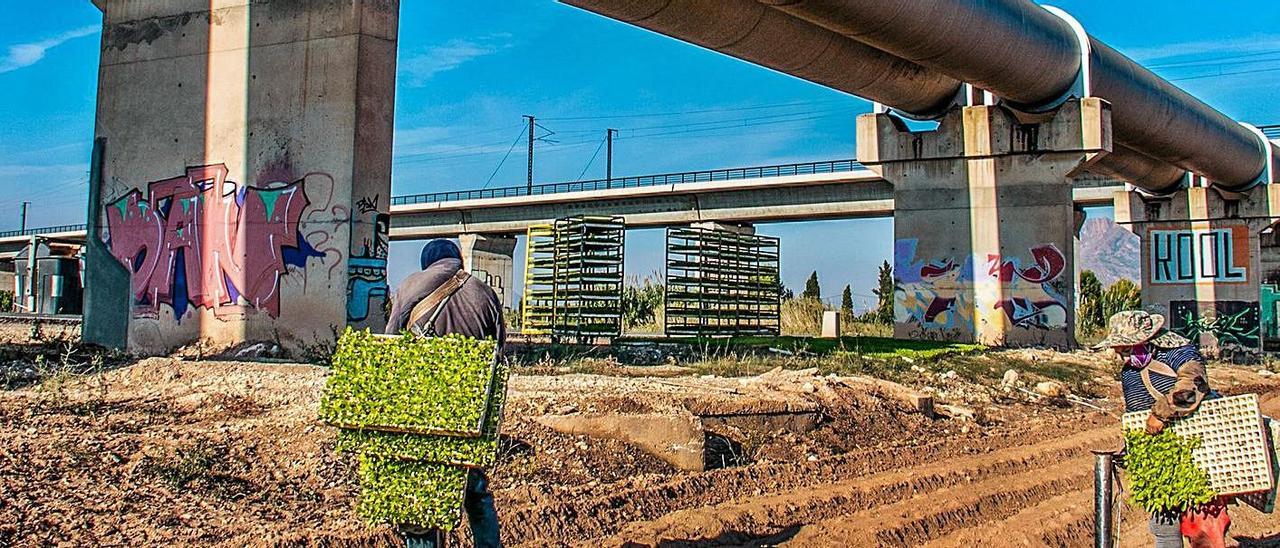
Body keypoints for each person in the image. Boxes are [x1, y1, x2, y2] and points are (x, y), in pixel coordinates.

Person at [385, 239, 504, 548]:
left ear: (428, 263)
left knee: (422, 499)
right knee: (476, 491)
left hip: (421, 412)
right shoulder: (485, 293)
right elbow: (499, 357)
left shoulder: (409, 286)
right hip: (470, 415)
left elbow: (389, 349)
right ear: (458, 260)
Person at [1094, 310, 1226, 548]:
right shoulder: (1130, 372)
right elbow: (1137, 415)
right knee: (1163, 523)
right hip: (1163, 456)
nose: (1121, 356)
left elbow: (1192, 387)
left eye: (1125, 349)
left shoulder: (1179, 354)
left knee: (1203, 524)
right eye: (1118, 351)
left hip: (1198, 447)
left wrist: (1161, 414)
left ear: (1146, 341)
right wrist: (1131, 448)